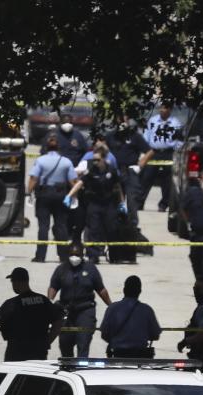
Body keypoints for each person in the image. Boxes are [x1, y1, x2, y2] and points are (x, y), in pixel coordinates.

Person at [48, 243, 111, 358]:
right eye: (72, 254)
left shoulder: (91, 269)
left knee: (83, 343)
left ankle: (81, 369)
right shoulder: (61, 269)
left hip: (85, 311)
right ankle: (68, 371)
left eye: (77, 254)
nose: (74, 257)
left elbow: (101, 290)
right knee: (64, 344)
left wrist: (111, 306)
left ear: (82, 254)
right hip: (66, 311)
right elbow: (53, 287)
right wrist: (49, 302)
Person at [0, 267, 64, 360]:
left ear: (18, 282)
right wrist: (47, 342)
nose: (12, 284)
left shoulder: (12, 304)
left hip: (16, 352)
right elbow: (58, 322)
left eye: (12, 281)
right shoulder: (43, 300)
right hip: (38, 353)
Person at [66, 145, 125, 263]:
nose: (95, 162)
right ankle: (93, 255)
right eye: (94, 159)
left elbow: (118, 187)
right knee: (93, 229)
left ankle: (114, 256)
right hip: (94, 203)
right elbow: (80, 183)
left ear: (104, 159)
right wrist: (69, 195)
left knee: (112, 229)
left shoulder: (111, 170)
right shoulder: (91, 170)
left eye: (98, 159)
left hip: (109, 204)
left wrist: (122, 203)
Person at [27, 135, 79, 263]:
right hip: (61, 195)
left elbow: (34, 178)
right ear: (59, 148)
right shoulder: (66, 161)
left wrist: (29, 193)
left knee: (43, 226)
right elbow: (73, 181)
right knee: (61, 226)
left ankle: (40, 256)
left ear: (46, 147)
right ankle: (63, 256)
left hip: (44, 195)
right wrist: (75, 197)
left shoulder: (41, 160)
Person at [100, 275, 161, 358]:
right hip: (141, 357)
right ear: (139, 291)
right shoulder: (147, 310)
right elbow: (155, 335)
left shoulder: (112, 309)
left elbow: (104, 334)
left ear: (124, 290)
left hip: (118, 355)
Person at [107, 116, 151, 226]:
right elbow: (102, 150)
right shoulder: (111, 136)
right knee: (115, 199)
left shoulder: (134, 136)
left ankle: (132, 225)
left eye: (124, 119)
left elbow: (149, 151)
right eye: (119, 119)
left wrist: (141, 164)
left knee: (132, 200)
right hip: (115, 172)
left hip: (130, 171)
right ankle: (115, 223)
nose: (121, 121)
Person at [139, 102, 182, 212]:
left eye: (165, 108)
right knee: (146, 178)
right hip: (153, 153)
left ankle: (163, 204)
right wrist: (145, 151)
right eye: (161, 108)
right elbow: (146, 136)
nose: (162, 110)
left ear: (170, 110)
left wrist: (176, 150)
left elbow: (180, 140)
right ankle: (139, 202)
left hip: (168, 153)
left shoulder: (175, 123)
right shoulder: (152, 121)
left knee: (167, 181)